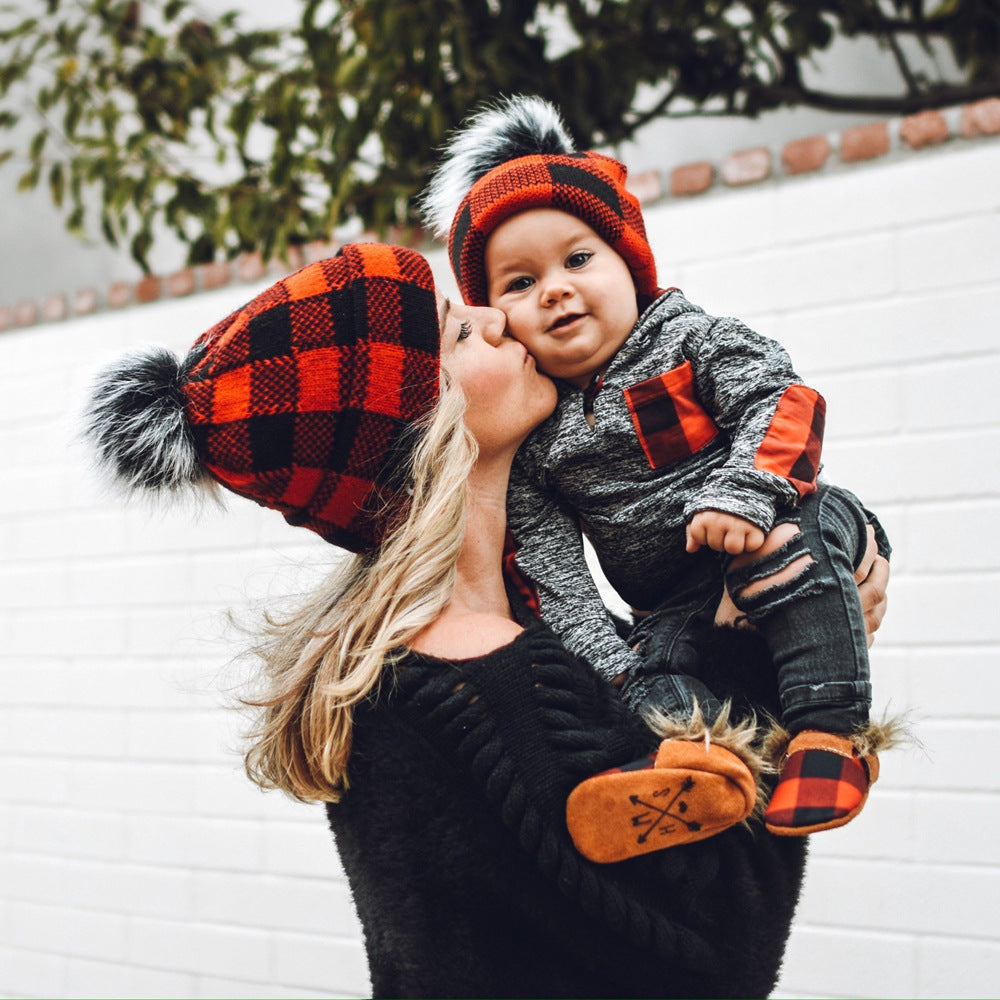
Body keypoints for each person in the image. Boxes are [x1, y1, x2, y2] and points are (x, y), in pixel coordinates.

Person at [82, 242, 888, 998]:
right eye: (460, 330)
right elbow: (724, 954)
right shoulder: (490, 679)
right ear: (423, 427)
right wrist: (762, 647)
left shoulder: (411, 663)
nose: (499, 317)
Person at [420, 94, 900, 844]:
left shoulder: (685, 340)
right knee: (650, 666)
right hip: (675, 594)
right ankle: (692, 769)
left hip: (789, 511)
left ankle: (829, 736)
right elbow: (553, 566)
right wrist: (608, 660)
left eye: (579, 259)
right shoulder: (539, 436)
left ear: (630, 266)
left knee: (785, 560)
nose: (553, 288)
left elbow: (786, 402)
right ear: (497, 315)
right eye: (518, 283)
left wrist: (744, 493)